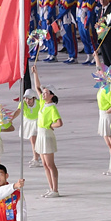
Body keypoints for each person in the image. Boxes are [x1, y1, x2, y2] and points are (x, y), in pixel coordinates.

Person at [31, 66, 63, 197]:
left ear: (51, 95)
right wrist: (35, 73)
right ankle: (50, 188)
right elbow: (37, 87)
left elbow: (59, 122)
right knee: (44, 163)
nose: (43, 94)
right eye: (43, 93)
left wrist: (50, 125)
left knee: (50, 164)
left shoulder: (52, 108)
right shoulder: (43, 104)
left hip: (47, 135)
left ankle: (55, 189)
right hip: (41, 134)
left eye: (46, 93)